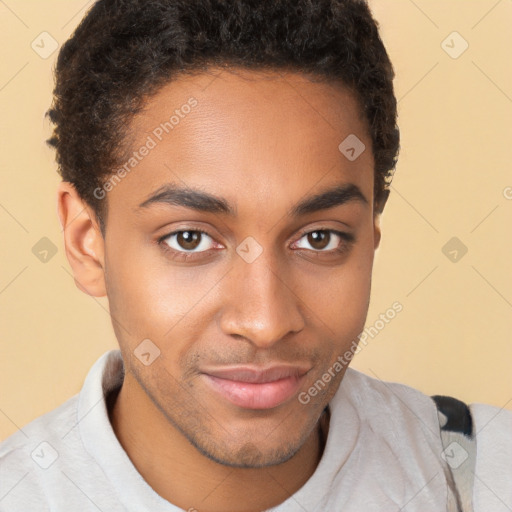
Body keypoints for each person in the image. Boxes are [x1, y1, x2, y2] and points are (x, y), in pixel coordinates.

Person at [0, 0, 510, 511]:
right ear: (87, 242)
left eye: (319, 238)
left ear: (370, 237)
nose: (265, 322)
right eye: (189, 239)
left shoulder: (483, 479)